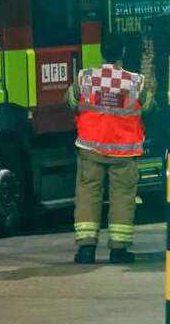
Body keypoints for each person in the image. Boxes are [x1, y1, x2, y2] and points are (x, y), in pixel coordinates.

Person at [66, 34, 154, 264]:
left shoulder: (85, 78)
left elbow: (71, 101)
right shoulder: (136, 82)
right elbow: (149, 106)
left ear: (102, 53)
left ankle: (86, 250)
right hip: (124, 151)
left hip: (90, 148)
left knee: (87, 196)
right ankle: (118, 251)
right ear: (122, 52)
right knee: (122, 199)